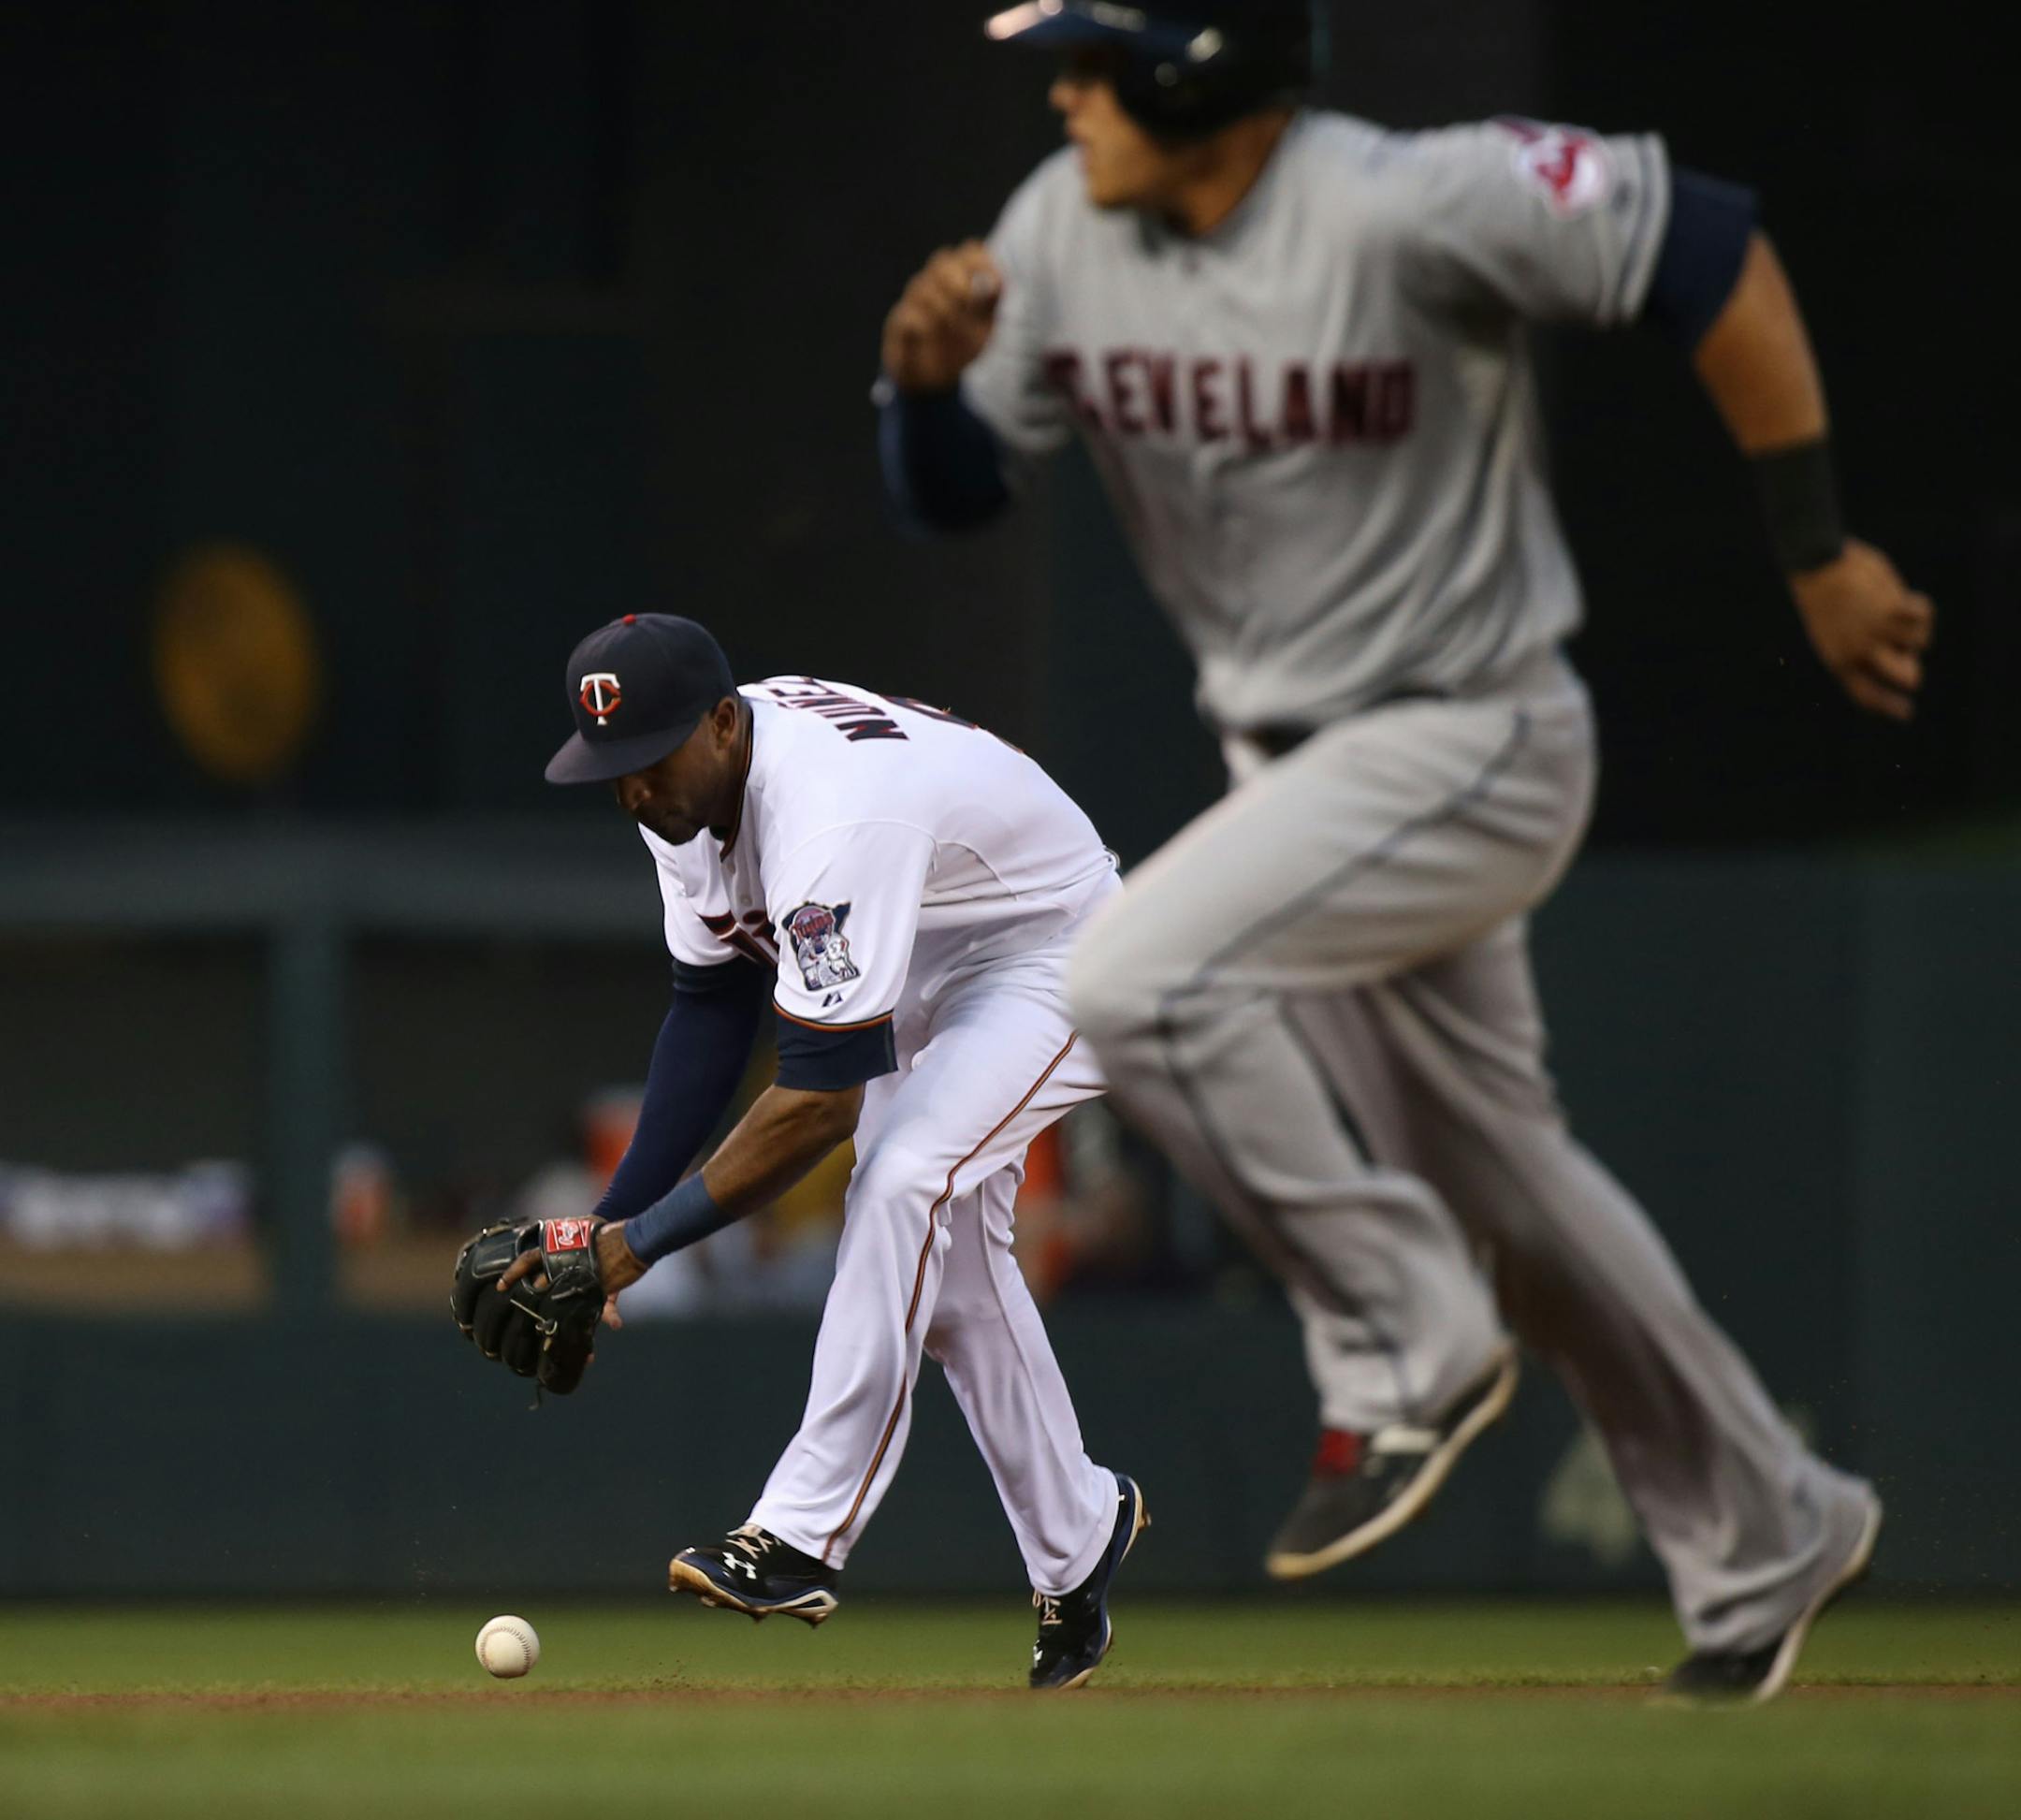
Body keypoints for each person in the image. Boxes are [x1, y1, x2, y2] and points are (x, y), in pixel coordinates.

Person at [874, 0, 1931, 1704]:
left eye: (1095, 57)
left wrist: (1815, 552)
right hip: (1300, 773)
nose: (1067, 90)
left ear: (1202, 65)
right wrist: (922, 393)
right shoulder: (1060, 228)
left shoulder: (1408, 199)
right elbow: (954, 493)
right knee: (1515, 1189)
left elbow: (1711, 248)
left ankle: (1398, 1340)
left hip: (1474, 729)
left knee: (1135, 973)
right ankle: (1769, 1521)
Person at [527, 612, 1147, 1691]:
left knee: (901, 1176)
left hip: (1059, 946)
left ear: (723, 724)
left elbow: (816, 1102)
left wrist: (637, 1248)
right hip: (926, 959)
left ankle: (801, 1534)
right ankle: (1080, 1531)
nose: (632, 790)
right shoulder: (685, 795)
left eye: (648, 759)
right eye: (611, 768)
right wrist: (601, 1223)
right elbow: (712, 1007)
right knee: (947, 1266)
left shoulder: (828, 815)